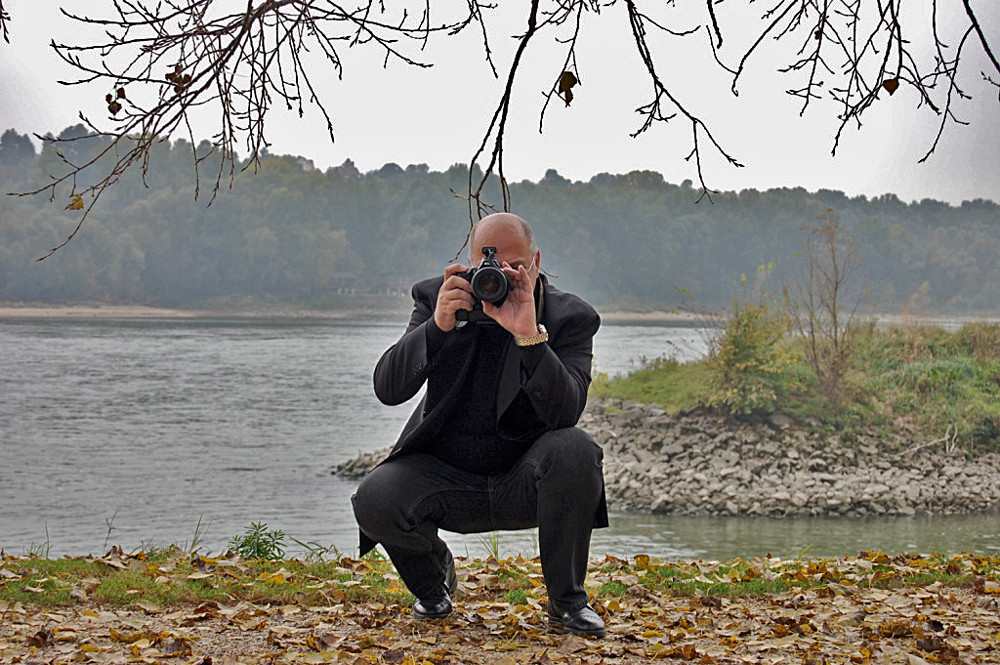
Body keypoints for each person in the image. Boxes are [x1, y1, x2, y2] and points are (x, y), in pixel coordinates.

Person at [351, 212, 608, 638]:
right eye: (488, 263)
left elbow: (566, 413)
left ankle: (568, 603)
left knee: (577, 450)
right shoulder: (440, 300)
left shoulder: (570, 317)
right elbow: (388, 388)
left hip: (525, 480)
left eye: (514, 265)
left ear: (537, 262)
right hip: (446, 479)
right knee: (375, 498)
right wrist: (435, 329)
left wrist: (529, 336)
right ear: (470, 264)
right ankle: (433, 587)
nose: (500, 275)